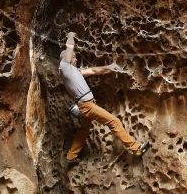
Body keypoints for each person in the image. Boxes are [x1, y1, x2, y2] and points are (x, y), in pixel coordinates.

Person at [60, 32, 150, 162]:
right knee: (113, 121)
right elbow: (69, 49)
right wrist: (70, 37)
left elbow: (94, 71)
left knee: (84, 130)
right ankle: (136, 149)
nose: (76, 59)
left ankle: (71, 156)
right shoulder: (65, 68)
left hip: (86, 105)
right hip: (87, 105)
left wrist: (110, 67)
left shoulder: (74, 72)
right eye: (74, 57)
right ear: (67, 59)